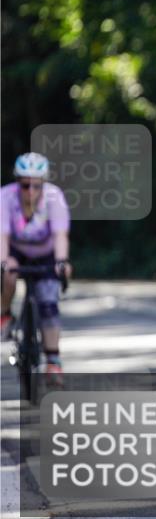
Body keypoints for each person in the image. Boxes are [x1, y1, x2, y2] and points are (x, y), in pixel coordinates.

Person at [0, 152, 72, 386]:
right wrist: (4, 261)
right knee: (7, 271)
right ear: (17, 183)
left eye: (36, 185)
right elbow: (2, 235)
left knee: (48, 301)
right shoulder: (5, 197)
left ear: (44, 183)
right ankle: (5, 312)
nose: (30, 191)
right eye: (25, 185)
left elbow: (60, 235)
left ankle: (53, 360)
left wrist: (61, 261)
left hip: (46, 252)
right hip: (16, 251)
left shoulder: (55, 198)